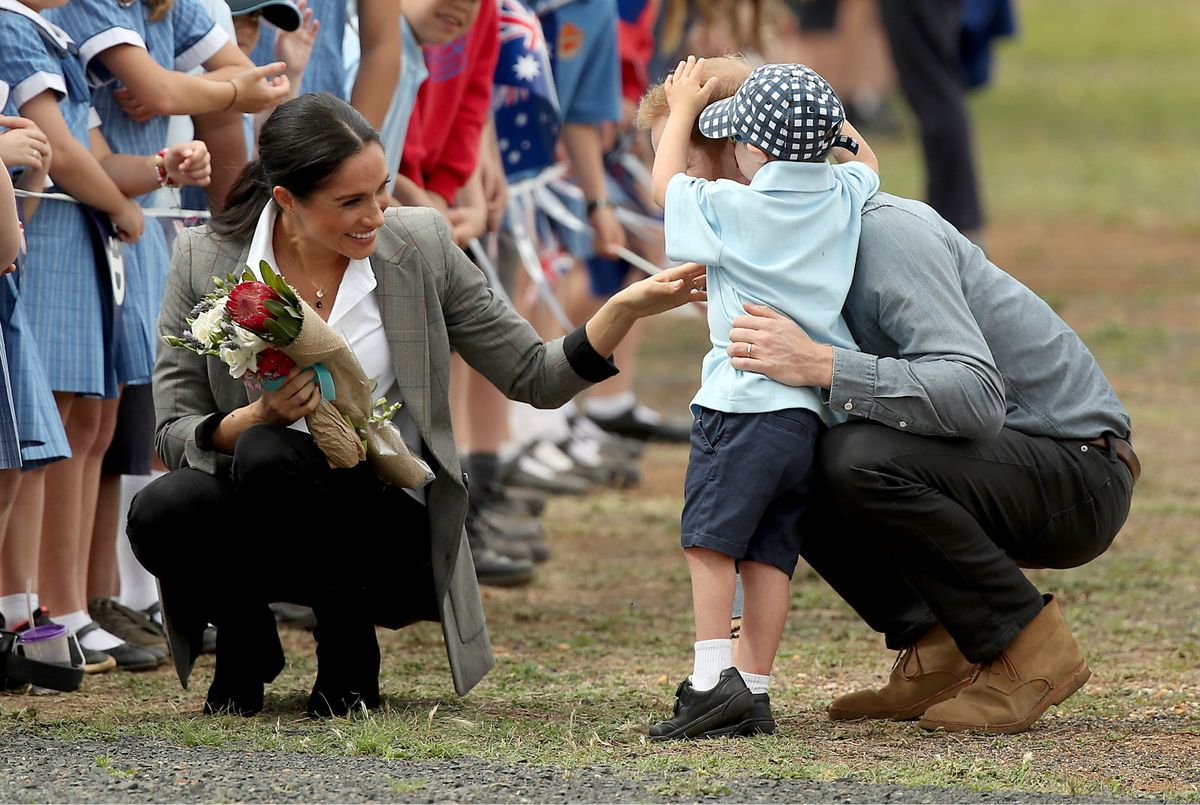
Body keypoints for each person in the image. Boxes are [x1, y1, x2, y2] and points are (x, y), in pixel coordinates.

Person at [125, 92, 706, 718]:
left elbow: (534, 376)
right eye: (350, 201)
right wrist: (253, 418)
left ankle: (349, 657)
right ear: (287, 199)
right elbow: (173, 430)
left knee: (272, 454)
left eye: (383, 189)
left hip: (380, 524)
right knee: (167, 504)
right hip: (260, 512)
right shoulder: (204, 256)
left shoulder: (419, 243)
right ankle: (245, 641)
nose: (376, 214)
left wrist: (622, 310)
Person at [638, 55, 1136, 736]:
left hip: (1077, 468)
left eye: (687, 163)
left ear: (743, 152)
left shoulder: (882, 230)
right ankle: (938, 644)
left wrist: (820, 363)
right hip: (998, 457)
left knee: (849, 455)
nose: (681, 185)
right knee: (783, 443)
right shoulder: (793, 233)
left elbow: (976, 396)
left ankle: (1027, 648)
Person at [643, 56, 878, 741]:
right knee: (770, 553)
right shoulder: (842, 196)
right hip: (804, 414)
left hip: (739, 404)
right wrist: (828, 119)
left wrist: (683, 109)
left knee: (709, 542)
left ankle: (710, 681)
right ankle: (755, 689)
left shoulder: (733, 207)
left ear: (750, 147)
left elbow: (663, 185)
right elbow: (868, 159)